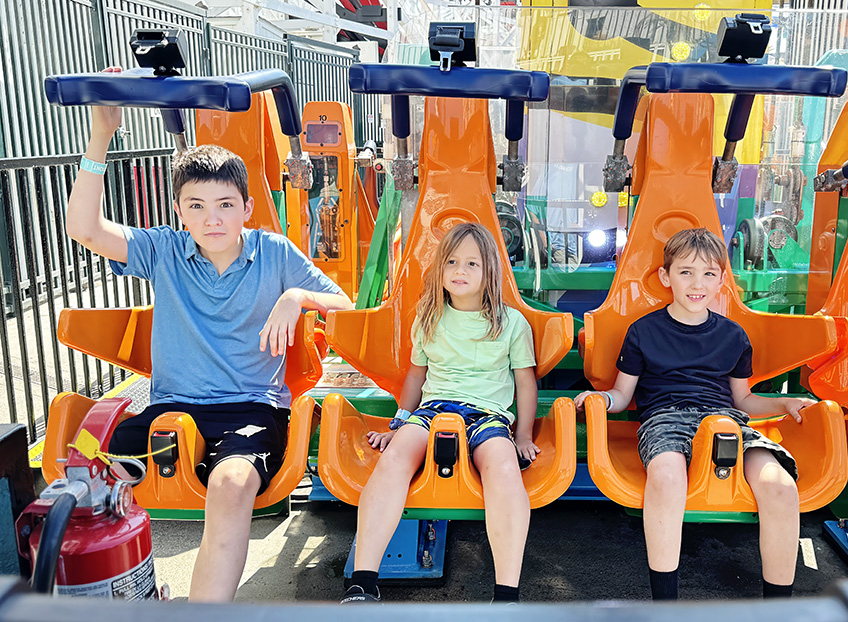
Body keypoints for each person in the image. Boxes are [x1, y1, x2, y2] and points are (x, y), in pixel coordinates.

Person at [65, 82, 353, 602]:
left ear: (247, 207)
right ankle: (124, 590)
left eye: (224, 204)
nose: (211, 218)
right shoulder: (165, 251)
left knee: (232, 484)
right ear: (179, 210)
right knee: (78, 468)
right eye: (196, 206)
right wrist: (100, 136)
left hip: (250, 409)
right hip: (171, 409)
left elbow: (347, 305)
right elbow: (83, 228)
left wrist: (294, 297)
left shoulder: (274, 253)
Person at [574, 227, 809, 600]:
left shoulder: (733, 336)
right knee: (667, 478)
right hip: (665, 419)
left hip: (725, 420)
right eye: (686, 272)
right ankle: (665, 602)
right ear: (666, 277)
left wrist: (785, 404)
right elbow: (622, 393)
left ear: (721, 280)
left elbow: (744, 400)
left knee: (780, 486)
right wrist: (601, 400)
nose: (697, 283)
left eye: (709, 273)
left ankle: (777, 605)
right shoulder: (643, 332)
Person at [342, 222, 539, 604]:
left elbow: (525, 384)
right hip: (433, 411)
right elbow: (417, 375)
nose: (460, 271)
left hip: (488, 416)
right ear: (440, 269)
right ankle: (363, 582)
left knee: (502, 468)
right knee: (396, 457)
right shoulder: (429, 318)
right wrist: (398, 423)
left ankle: (507, 594)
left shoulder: (510, 322)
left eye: (471, 263)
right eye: (451, 262)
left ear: (490, 273)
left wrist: (525, 435)